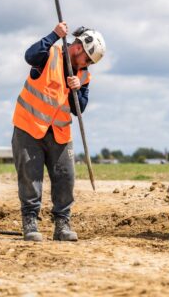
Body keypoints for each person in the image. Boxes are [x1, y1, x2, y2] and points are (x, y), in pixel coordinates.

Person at [12, 22, 106, 242]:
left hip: (60, 133)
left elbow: (79, 109)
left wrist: (76, 91)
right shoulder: (49, 54)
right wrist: (54, 34)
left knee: (65, 178)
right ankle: (30, 223)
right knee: (30, 177)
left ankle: (62, 224)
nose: (88, 65)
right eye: (87, 59)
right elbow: (30, 55)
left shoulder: (83, 76)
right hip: (29, 126)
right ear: (78, 47)